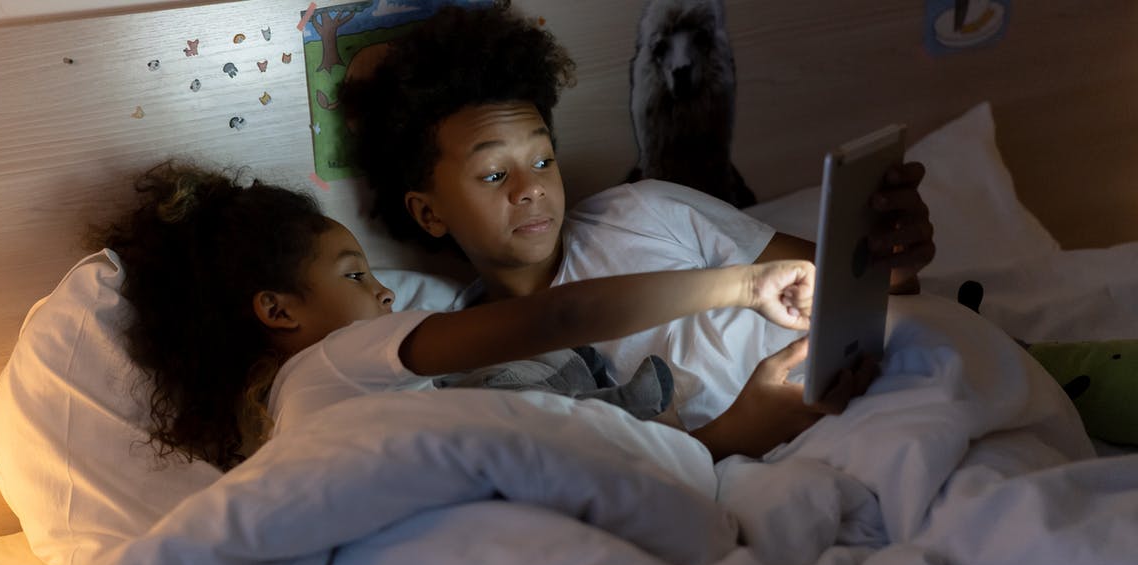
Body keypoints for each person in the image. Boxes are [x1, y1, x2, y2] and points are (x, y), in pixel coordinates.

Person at [338, 4, 937, 458]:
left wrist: (896, 258)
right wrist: (737, 434)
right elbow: (601, 484)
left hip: (871, 410)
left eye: (543, 160)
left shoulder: (648, 212)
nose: (531, 188)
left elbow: (867, 291)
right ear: (429, 213)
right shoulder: (477, 356)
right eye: (495, 173)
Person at [96, 160, 816, 470]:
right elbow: (559, 319)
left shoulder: (303, 421)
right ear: (278, 309)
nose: (386, 296)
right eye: (354, 274)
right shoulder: (334, 365)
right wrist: (745, 287)